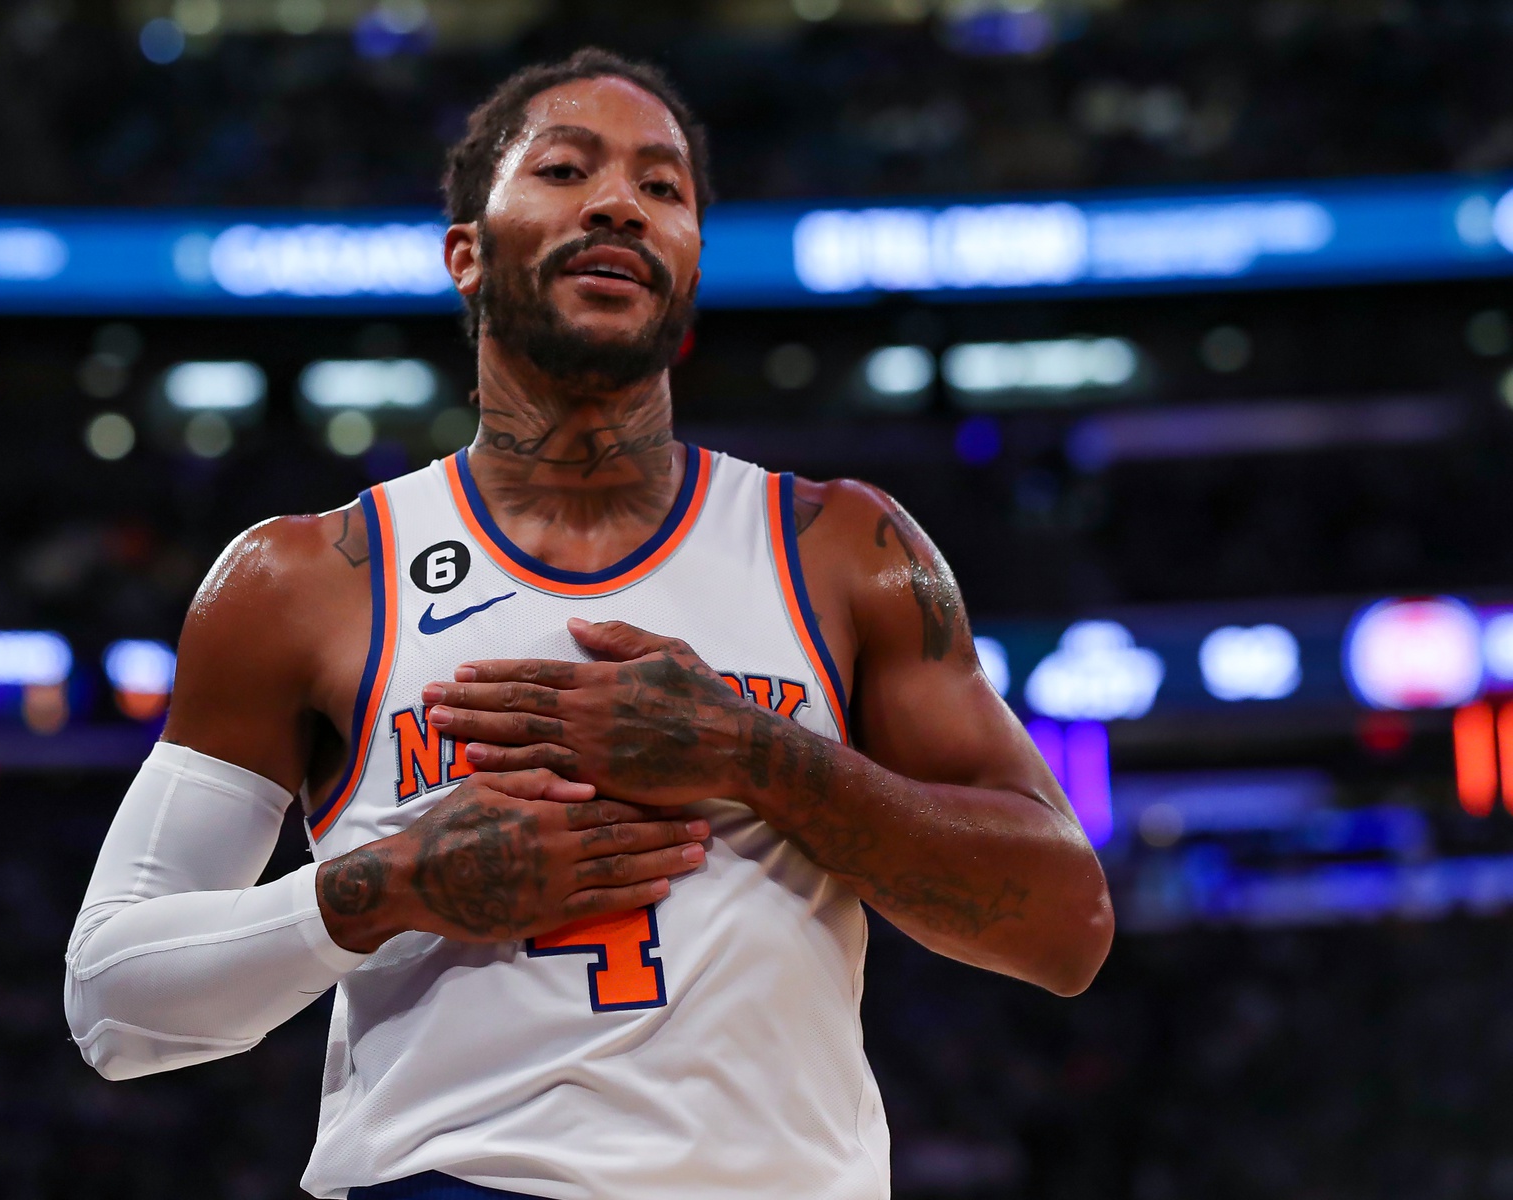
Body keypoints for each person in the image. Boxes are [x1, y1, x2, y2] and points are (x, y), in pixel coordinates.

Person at [64, 47, 1113, 1200]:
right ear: (466, 253)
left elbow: (1066, 925)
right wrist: (390, 884)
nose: (620, 203)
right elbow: (113, 1004)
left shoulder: (844, 547)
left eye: (663, 187)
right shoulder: (304, 579)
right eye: (565, 170)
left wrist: (758, 755)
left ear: (690, 263)